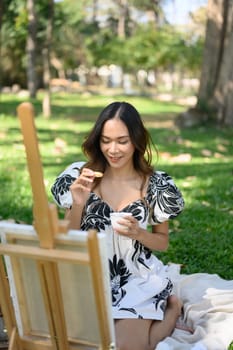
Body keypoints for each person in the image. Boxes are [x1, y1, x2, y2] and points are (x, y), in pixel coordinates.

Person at [51, 101, 185, 350]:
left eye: (122, 141)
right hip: (88, 276)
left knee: (126, 347)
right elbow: (66, 238)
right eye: (105, 140)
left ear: (136, 141)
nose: (113, 149)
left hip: (137, 279)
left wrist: (139, 233)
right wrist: (78, 204)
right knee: (88, 343)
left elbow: (162, 242)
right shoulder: (80, 176)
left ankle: (173, 309)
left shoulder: (156, 185)